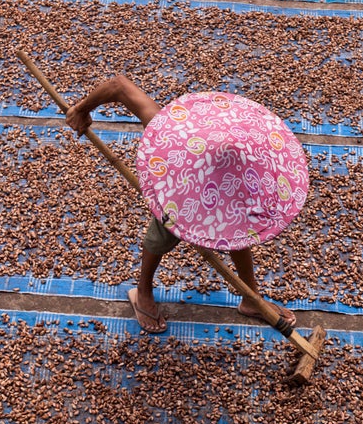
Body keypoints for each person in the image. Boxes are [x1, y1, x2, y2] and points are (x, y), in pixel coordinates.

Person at [66, 75, 297, 333]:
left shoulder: (250, 164)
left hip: (233, 193)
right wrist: (81, 109)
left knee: (241, 227)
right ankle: (142, 291)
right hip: (181, 185)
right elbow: (119, 85)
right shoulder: (171, 134)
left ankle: (251, 298)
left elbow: (119, 85)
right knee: (162, 234)